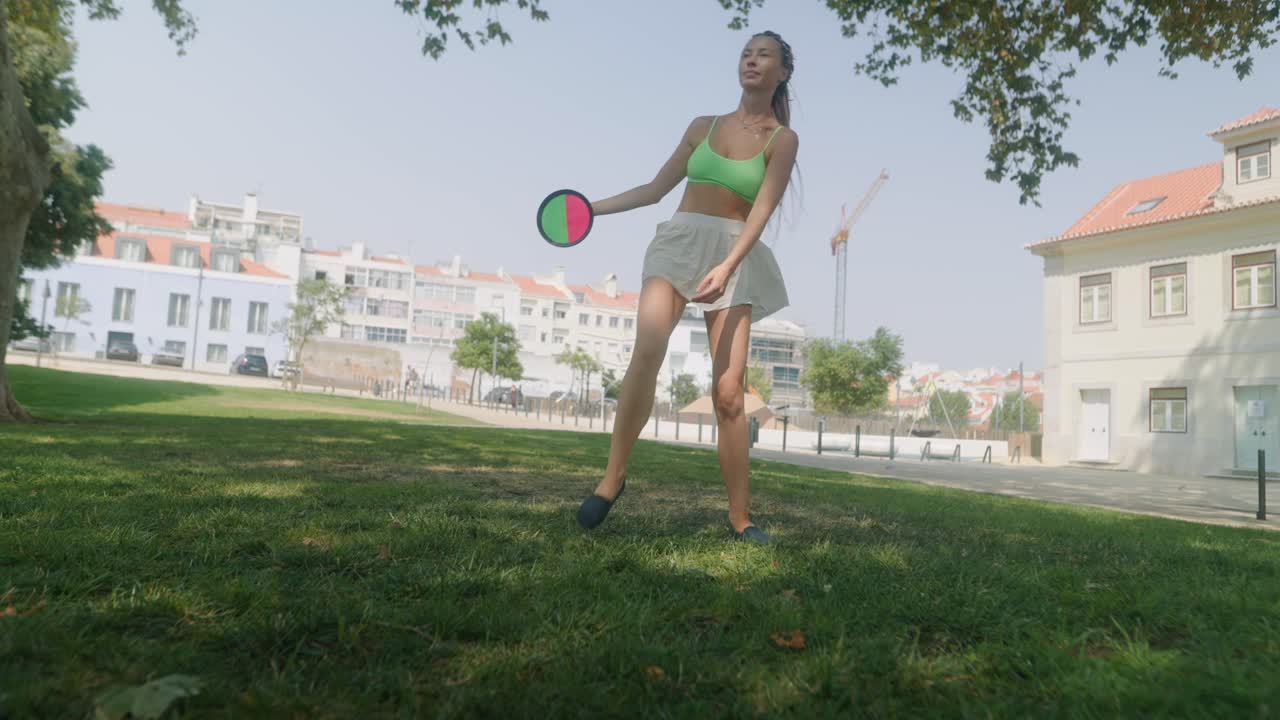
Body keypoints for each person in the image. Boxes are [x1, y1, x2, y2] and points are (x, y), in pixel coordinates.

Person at [576, 31, 798, 545]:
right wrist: (592, 208)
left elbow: (762, 212)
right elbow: (655, 190)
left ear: (782, 72)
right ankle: (612, 480)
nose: (752, 60)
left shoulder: (781, 140)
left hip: (735, 254)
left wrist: (727, 267)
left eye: (764, 55)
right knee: (648, 349)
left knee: (727, 393)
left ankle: (740, 518)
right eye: (746, 52)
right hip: (678, 243)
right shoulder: (702, 126)